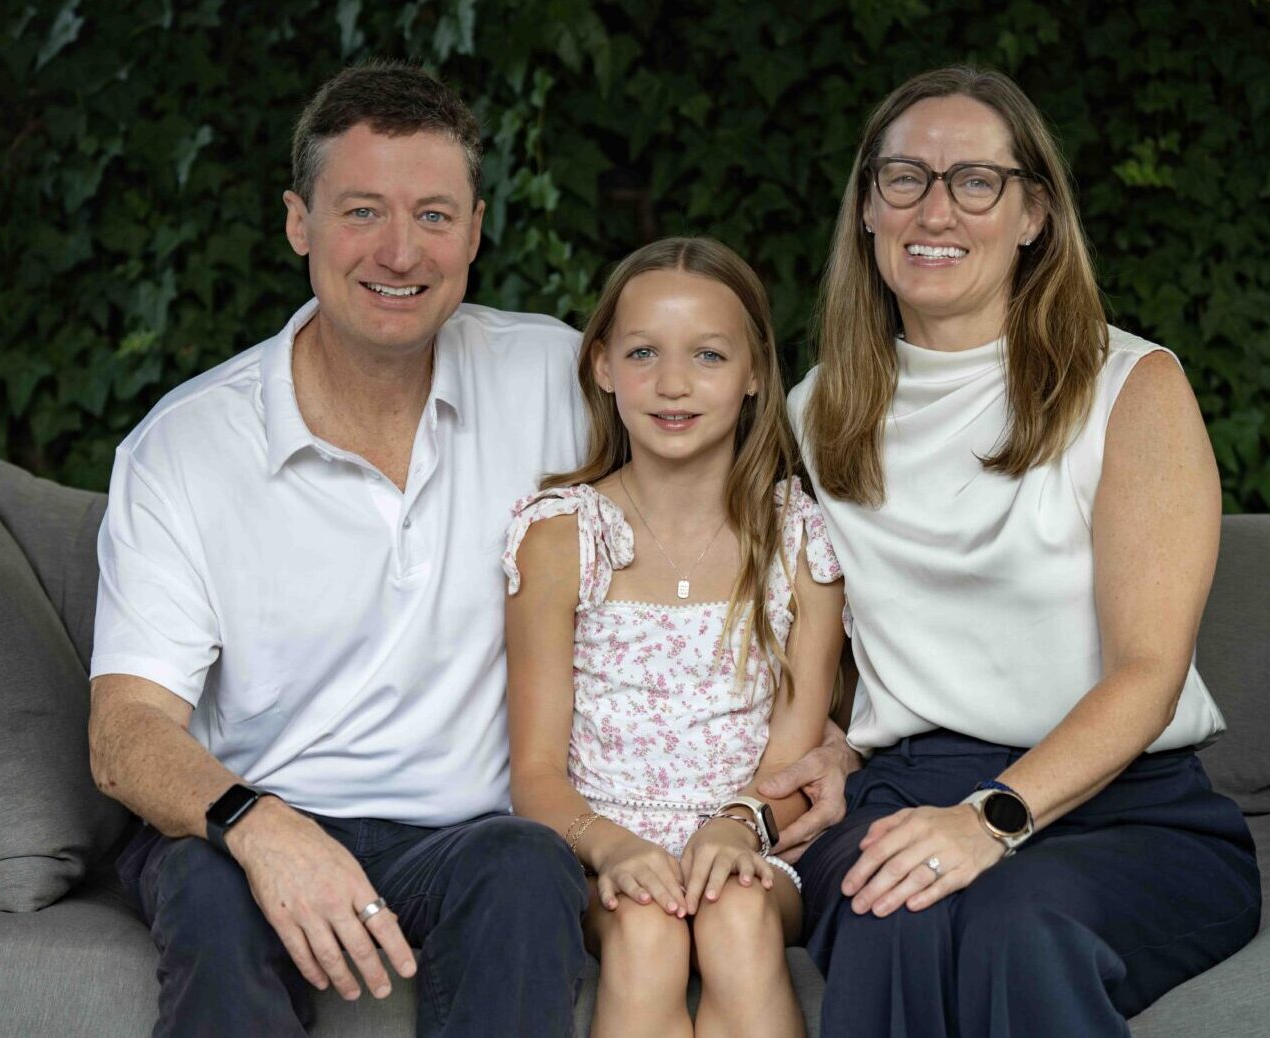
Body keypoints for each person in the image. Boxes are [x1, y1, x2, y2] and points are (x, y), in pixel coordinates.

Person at [86, 62, 592, 1038]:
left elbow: (738, 510)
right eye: (362, 210)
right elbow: (126, 733)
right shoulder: (185, 447)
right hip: (250, 815)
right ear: (298, 222)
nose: (400, 251)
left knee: (529, 867)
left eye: (435, 216)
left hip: (473, 834)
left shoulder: (557, 382)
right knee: (205, 882)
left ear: (477, 229)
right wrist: (256, 825)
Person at [760, 65, 1263, 1035]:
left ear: (1034, 213)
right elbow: (813, 642)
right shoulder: (816, 412)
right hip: (905, 787)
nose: (935, 210)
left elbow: (1150, 674)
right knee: (888, 905)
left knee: (1014, 923)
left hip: (1125, 806)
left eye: (975, 181)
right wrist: (823, 744)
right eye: (904, 178)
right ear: (868, 209)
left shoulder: (1132, 387)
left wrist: (991, 819)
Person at [502, 237, 848, 1038]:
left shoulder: (798, 540)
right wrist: (615, 849)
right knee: (648, 925)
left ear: (756, 373)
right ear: (601, 366)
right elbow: (536, 773)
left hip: (753, 840)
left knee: (732, 911)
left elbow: (792, 764)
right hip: (600, 846)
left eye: (708, 355)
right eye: (644, 352)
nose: (672, 383)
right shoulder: (561, 537)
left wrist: (734, 825)